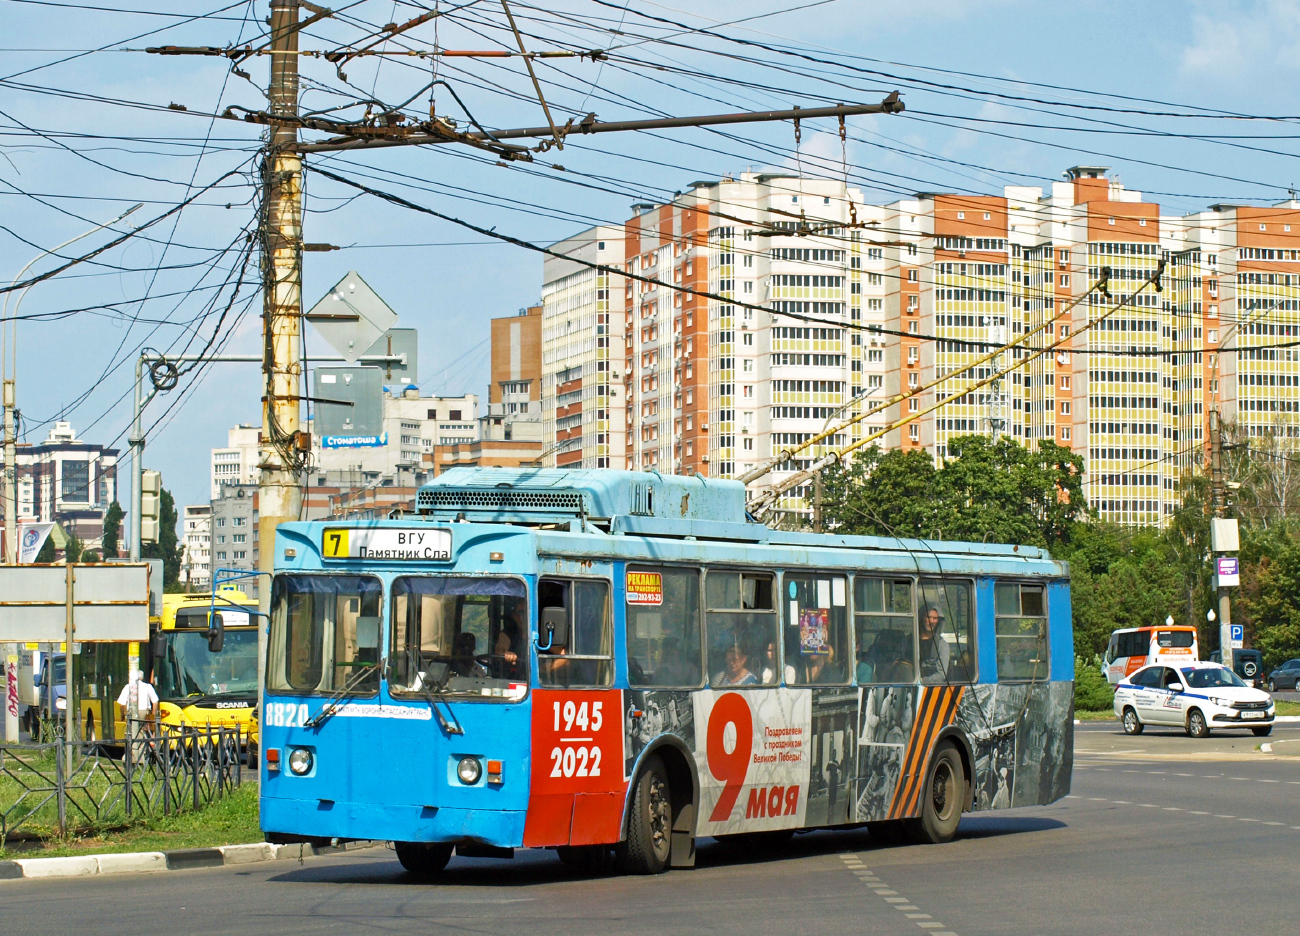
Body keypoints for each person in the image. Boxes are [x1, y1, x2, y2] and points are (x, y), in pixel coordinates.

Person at [919, 605, 951, 679]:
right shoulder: (908, 641)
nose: (931, 621)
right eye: (928, 617)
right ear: (921, 618)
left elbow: (941, 675)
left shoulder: (942, 645)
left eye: (935, 618)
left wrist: (922, 681)